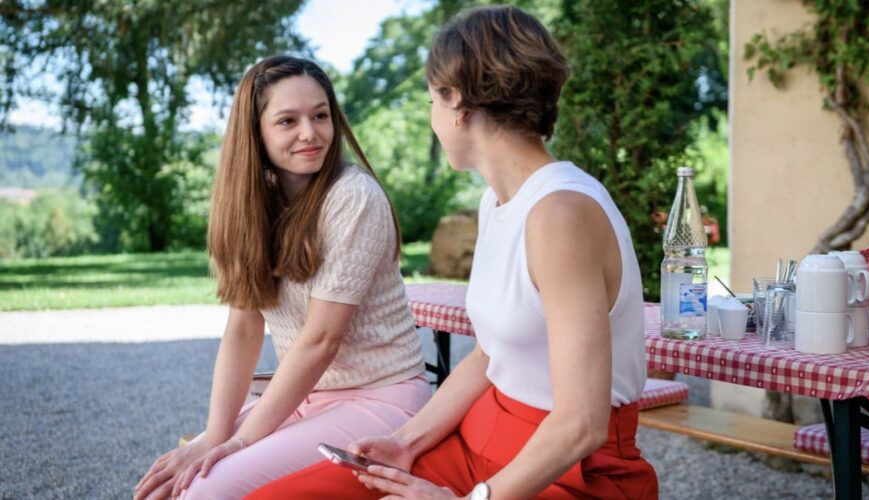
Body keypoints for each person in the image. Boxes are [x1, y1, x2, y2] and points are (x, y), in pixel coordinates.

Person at [248, 5, 658, 500]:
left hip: (567, 472)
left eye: (432, 101)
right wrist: (404, 442)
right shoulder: (499, 200)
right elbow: (489, 355)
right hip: (481, 438)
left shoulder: (562, 214)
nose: (433, 119)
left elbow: (581, 425)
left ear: (458, 102)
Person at [133, 56, 430, 500]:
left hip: (380, 398)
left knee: (207, 491)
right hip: (304, 397)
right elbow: (243, 327)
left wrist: (240, 442)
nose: (309, 133)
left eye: (320, 115)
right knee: (169, 487)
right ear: (256, 134)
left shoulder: (354, 197)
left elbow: (321, 340)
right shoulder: (256, 205)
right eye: (287, 121)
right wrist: (214, 434)